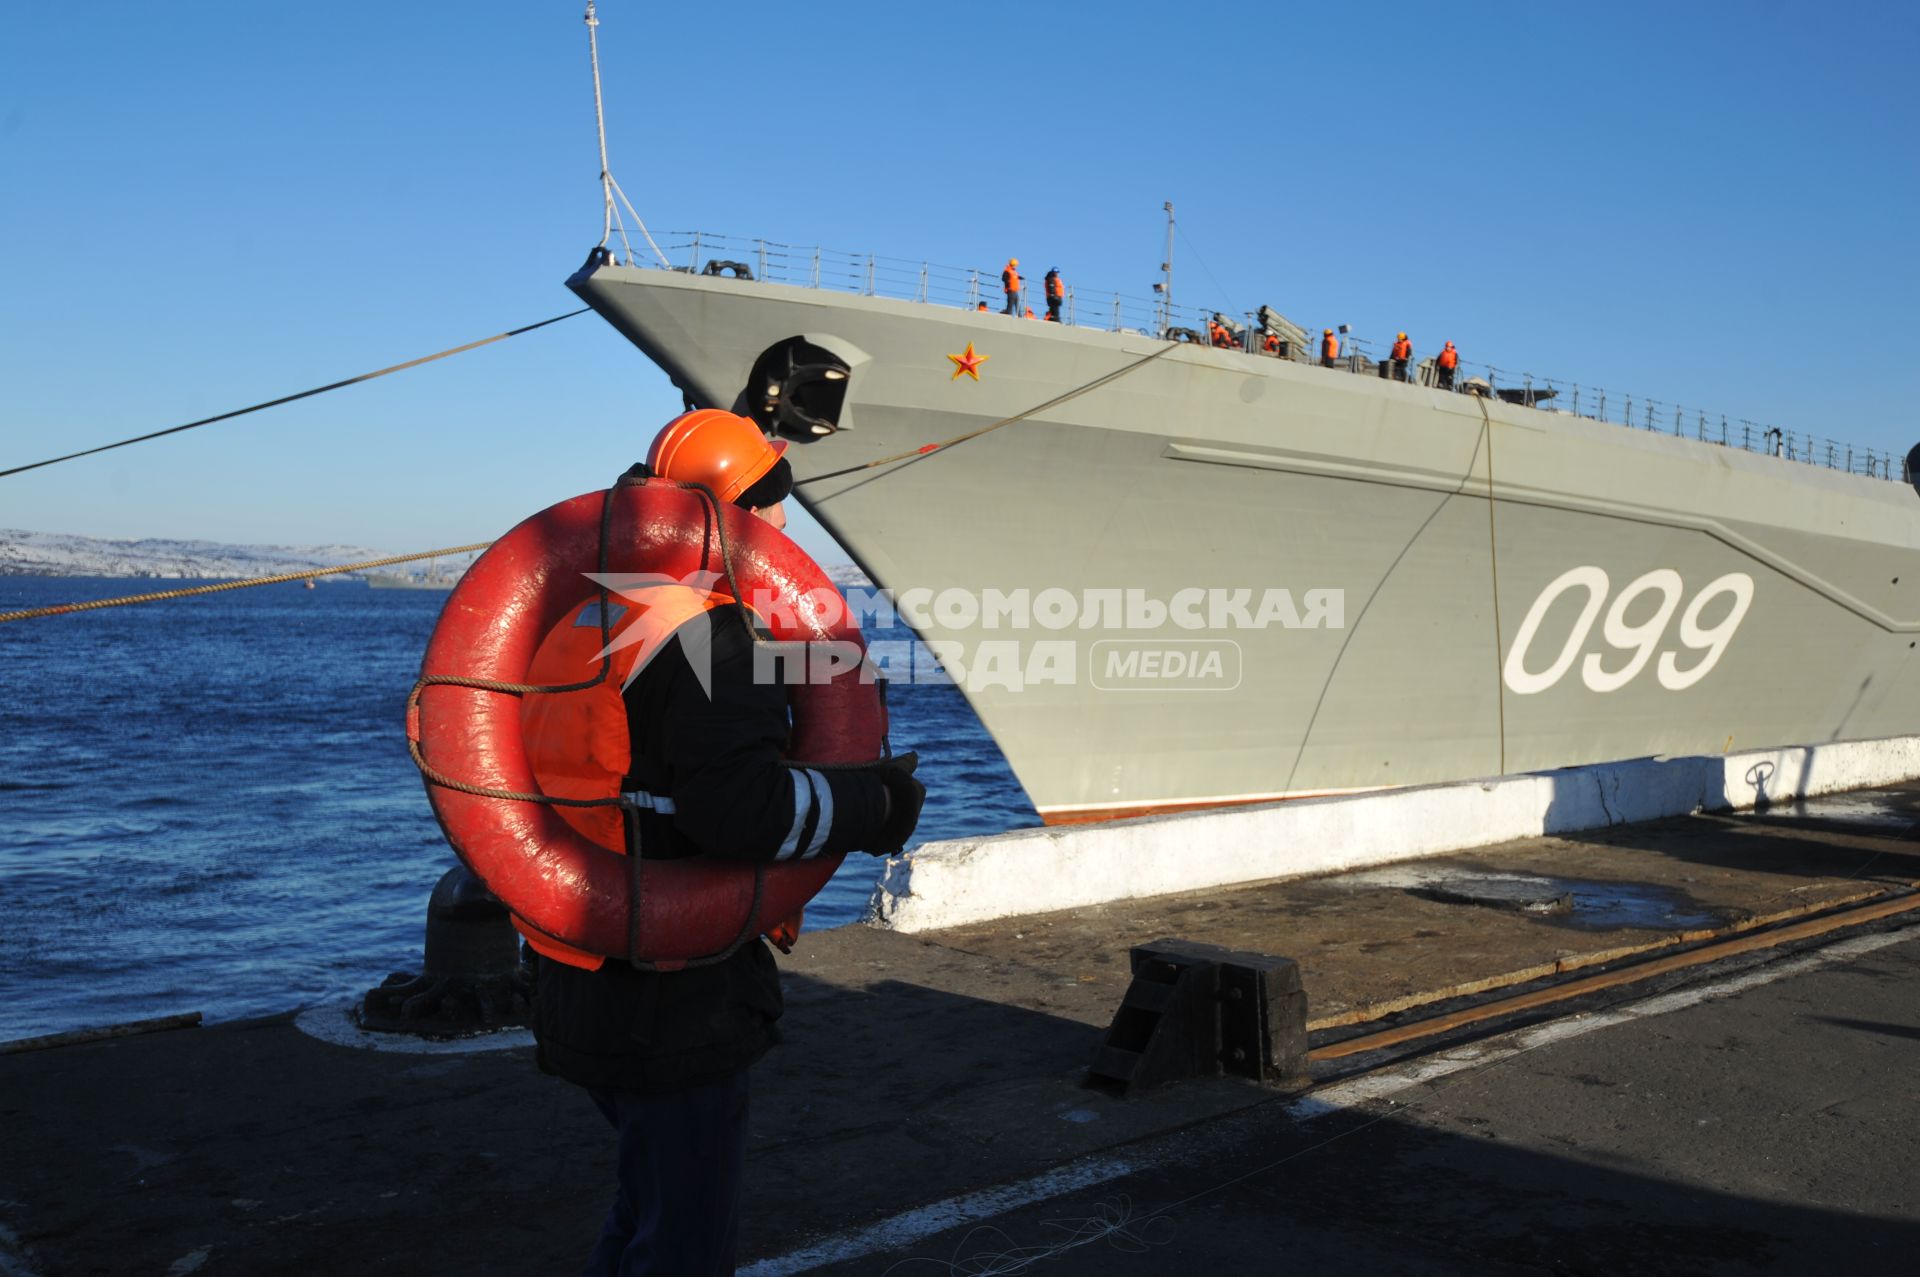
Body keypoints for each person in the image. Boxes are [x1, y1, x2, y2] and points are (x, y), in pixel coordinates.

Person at [525, 409, 927, 1277]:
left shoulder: (588, 611)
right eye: (774, 504)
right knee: (684, 1240)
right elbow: (735, 809)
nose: (784, 527)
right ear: (734, 519)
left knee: (644, 1203)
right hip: (671, 994)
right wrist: (875, 806)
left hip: (575, 958)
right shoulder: (717, 635)